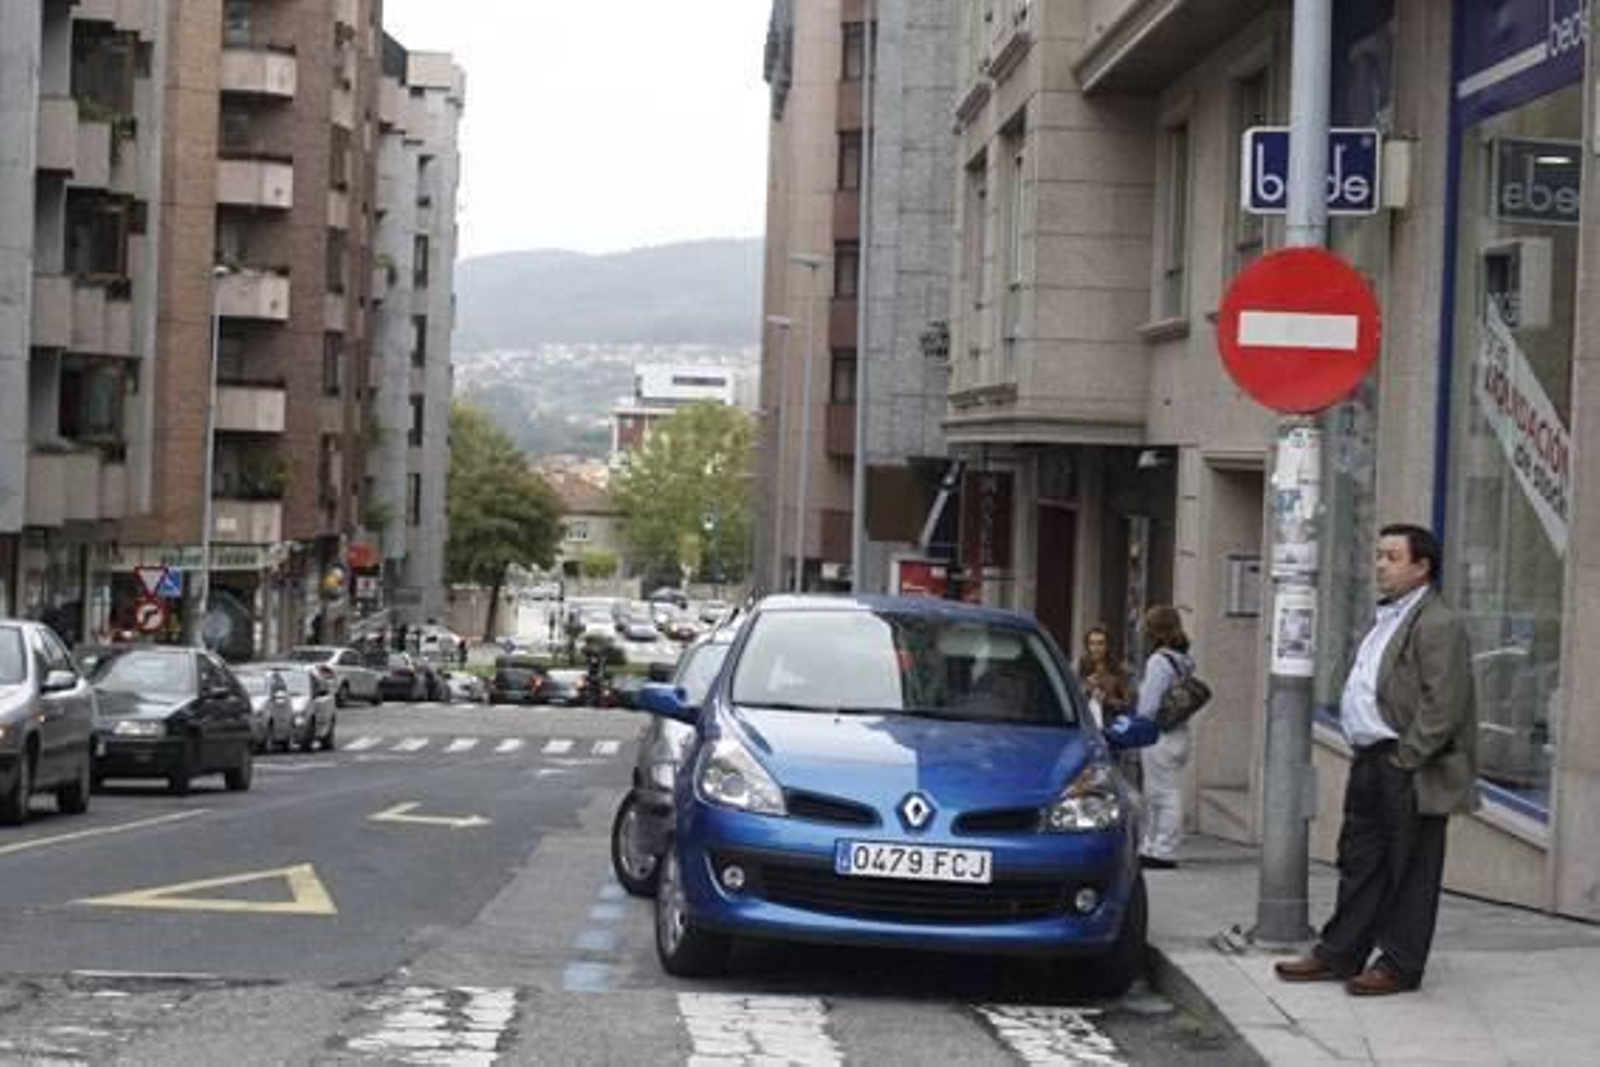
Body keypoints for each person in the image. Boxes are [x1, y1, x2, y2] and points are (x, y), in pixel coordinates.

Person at [1275, 524, 1477, 996]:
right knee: (1360, 861)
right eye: (1379, 555)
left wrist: (1407, 758)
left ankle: (1401, 964)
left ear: (1421, 566)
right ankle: (1340, 953)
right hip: (1370, 758)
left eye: (1391, 556)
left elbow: (1445, 701)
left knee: (1411, 867)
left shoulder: (1437, 622)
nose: (1380, 565)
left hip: (1409, 763)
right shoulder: (1389, 615)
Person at [1134, 605, 1194, 870]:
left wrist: (1136, 722)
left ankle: (1163, 849)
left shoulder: (1159, 661)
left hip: (1160, 734)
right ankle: (1154, 845)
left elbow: (1148, 705)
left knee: (1162, 793)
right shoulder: (1184, 658)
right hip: (1179, 732)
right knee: (1162, 791)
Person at [1076, 624, 1132, 729]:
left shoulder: (1118, 670)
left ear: (1108, 645)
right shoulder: (1081, 666)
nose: (1095, 648)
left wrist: (1107, 700)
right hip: (1086, 725)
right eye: (1091, 643)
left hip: (1110, 725)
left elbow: (1127, 704)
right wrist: (1086, 689)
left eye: (1100, 643)